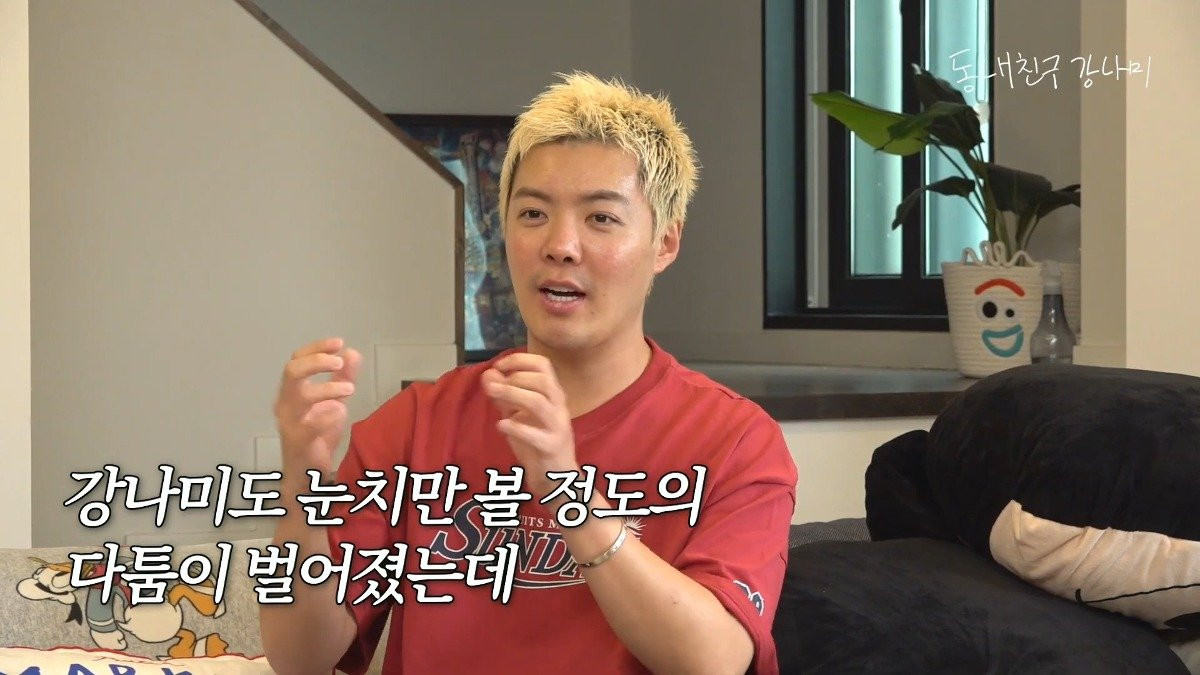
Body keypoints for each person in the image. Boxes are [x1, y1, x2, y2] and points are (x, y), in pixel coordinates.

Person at [261, 72, 797, 675]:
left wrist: (569, 495)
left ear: (665, 243)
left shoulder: (735, 441)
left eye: (601, 218)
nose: (560, 245)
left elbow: (714, 660)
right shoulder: (416, 425)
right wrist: (302, 483)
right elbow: (300, 658)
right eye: (534, 213)